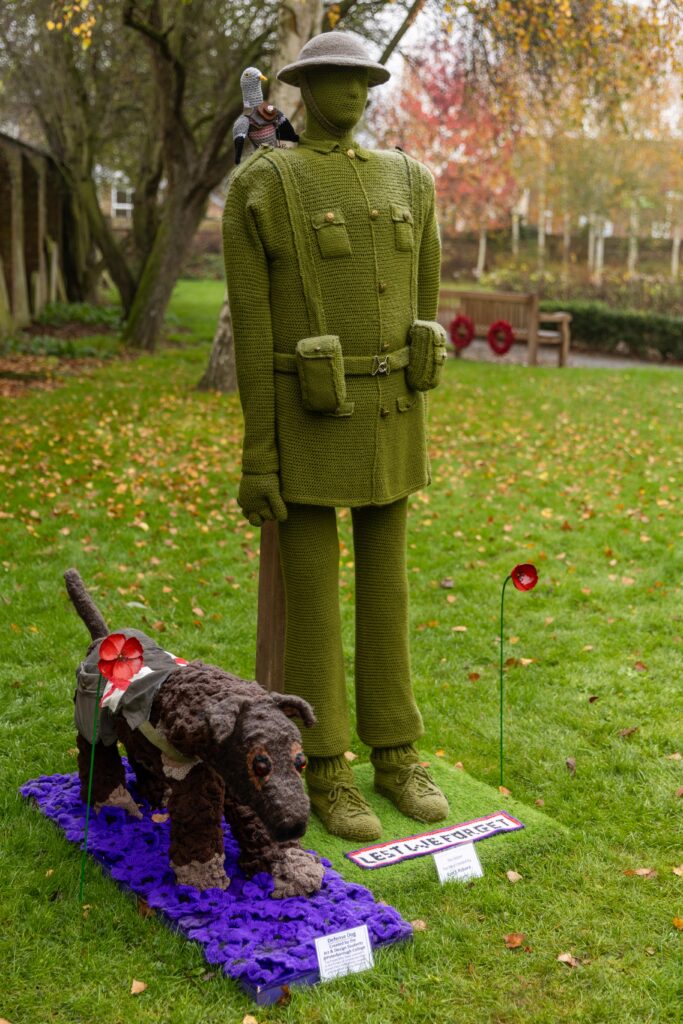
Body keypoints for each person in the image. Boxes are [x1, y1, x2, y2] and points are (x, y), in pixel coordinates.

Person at [222, 31, 449, 842]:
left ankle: (397, 751)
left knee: (386, 596)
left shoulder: (409, 178)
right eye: (335, 80)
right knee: (313, 606)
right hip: (310, 424)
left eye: (362, 79)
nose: (353, 93)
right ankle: (323, 765)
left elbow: (423, 292)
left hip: (391, 418)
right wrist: (258, 460)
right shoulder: (264, 183)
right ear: (303, 87)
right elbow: (252, 332)